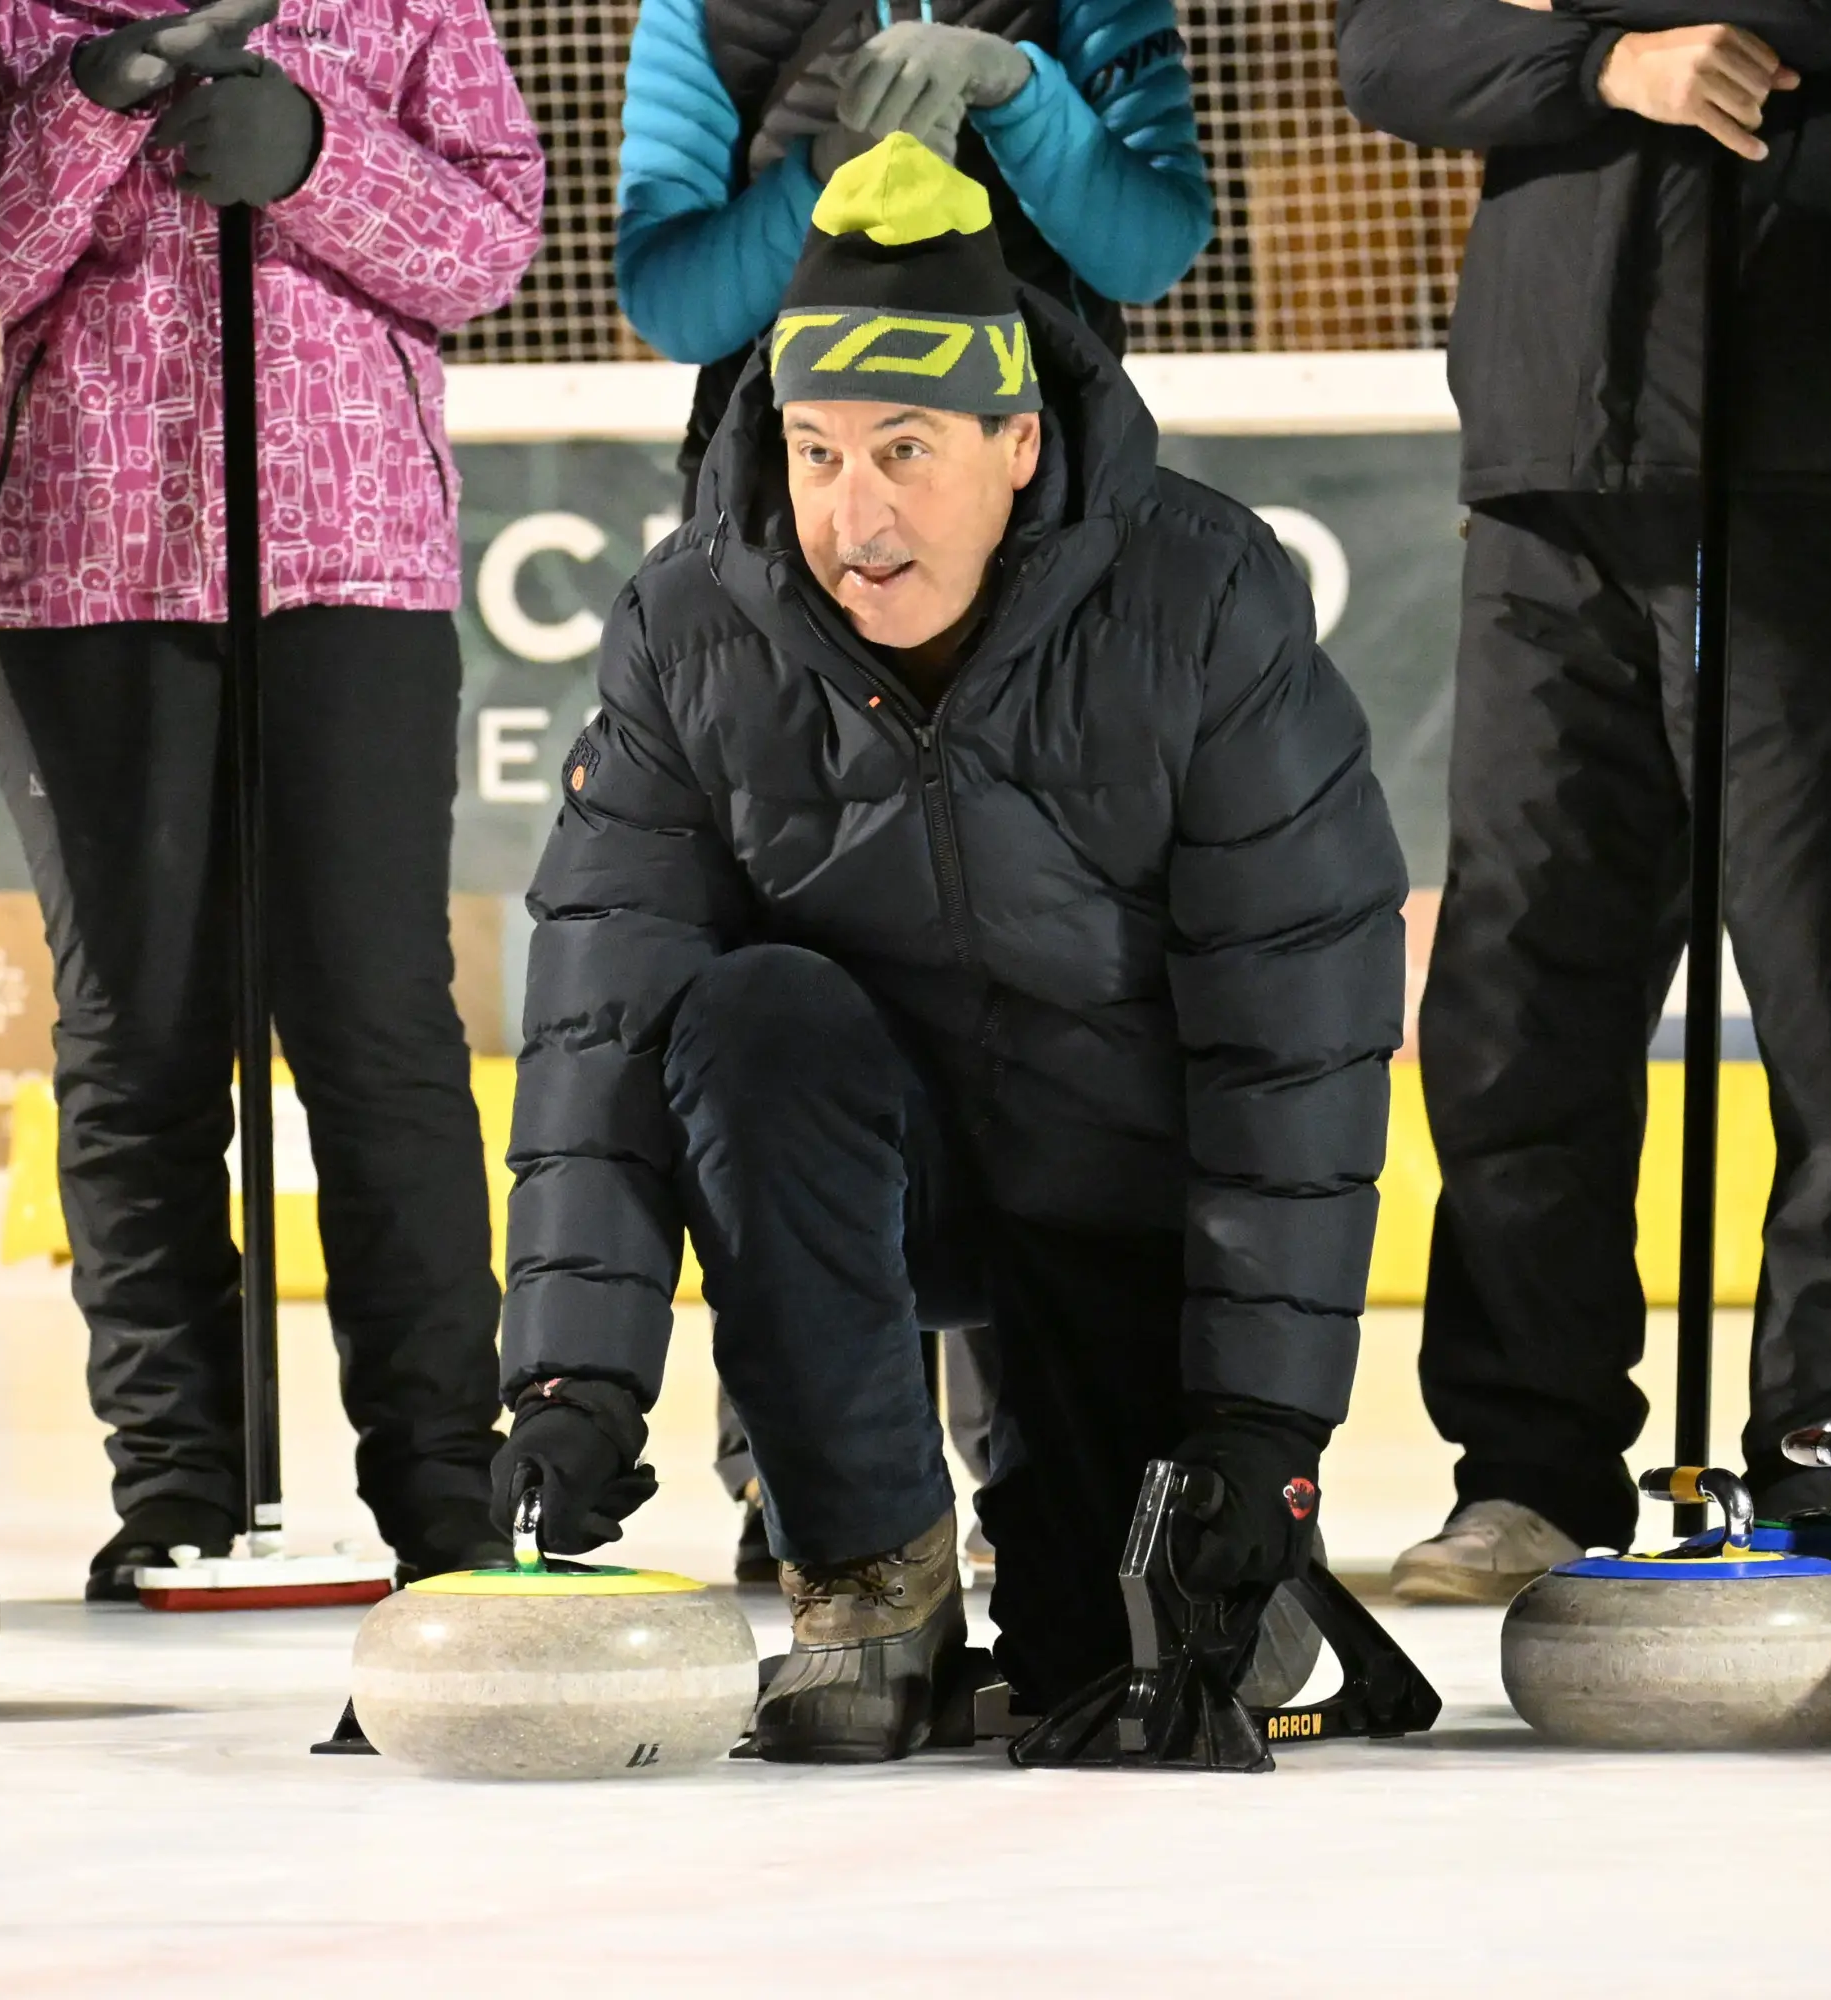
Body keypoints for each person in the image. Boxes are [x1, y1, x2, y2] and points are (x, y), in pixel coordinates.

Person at [492, 136, 1405, 1760]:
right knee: (746, 1019)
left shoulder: (1201, 601)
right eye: (820, 451)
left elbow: (1297, 1038)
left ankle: (1142, 1552)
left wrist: (1263, 1435)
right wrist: (572, 1391)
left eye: (906, 450)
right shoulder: (689, 631)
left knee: (1116, 1661)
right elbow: (599, 1023)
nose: (857, 515)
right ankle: (874, 1583)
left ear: (1017, 442)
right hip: (872, 1183)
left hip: (1119, 1193)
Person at [1335, 0, 1831, 1599]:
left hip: (1824, 467)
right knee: (1518, 1006)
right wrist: (1606, 62)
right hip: (1548, 478)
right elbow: (1387, 52)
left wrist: (1549, 24)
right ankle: (1528, 1468)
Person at [0, 0, 544, 1594]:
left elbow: (487, 243)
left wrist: (319, 153)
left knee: (379, 1028)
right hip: (76, 567)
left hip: (350, 559)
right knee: (139, 1032)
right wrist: (99, 97)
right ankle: (179, 1486)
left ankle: (443, 1495)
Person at [616, 0, 1210, 501]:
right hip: (784, 490)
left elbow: (1150, 254)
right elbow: (675, 310)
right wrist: (828, 171)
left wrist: (1018, 93)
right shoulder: (694, 9)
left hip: (1042, 475)